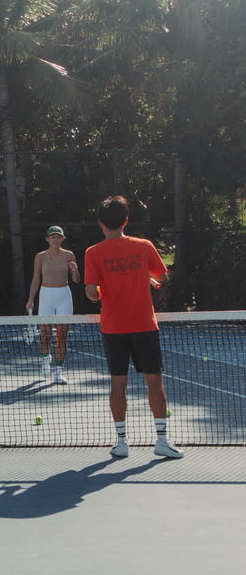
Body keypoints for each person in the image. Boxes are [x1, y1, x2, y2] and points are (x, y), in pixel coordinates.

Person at [84, 195, 182, 459]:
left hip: (113, 328)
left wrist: (108, 290)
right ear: (126, 220)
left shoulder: (93, 253)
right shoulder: (144, 245)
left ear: (100, 224)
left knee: (118, 384)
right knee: (154, 381)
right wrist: (145, 278)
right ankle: (162, 441)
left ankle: (121, 442)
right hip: (144, 326)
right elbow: (161, 276)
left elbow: (92, 294)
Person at [25, 225, 81, 384]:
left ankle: (58, 372)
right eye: (52, 237)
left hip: (64, 295)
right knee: (45, 334)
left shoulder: (69, 255)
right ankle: (45, 360)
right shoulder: (40, 257)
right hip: (46, 296)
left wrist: (75, 270)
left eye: (58, 237)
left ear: (63, 239)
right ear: (47, 239)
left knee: (62, 335)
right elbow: (36, 280)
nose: (55, 239)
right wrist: (30, 299)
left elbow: (76, 280)